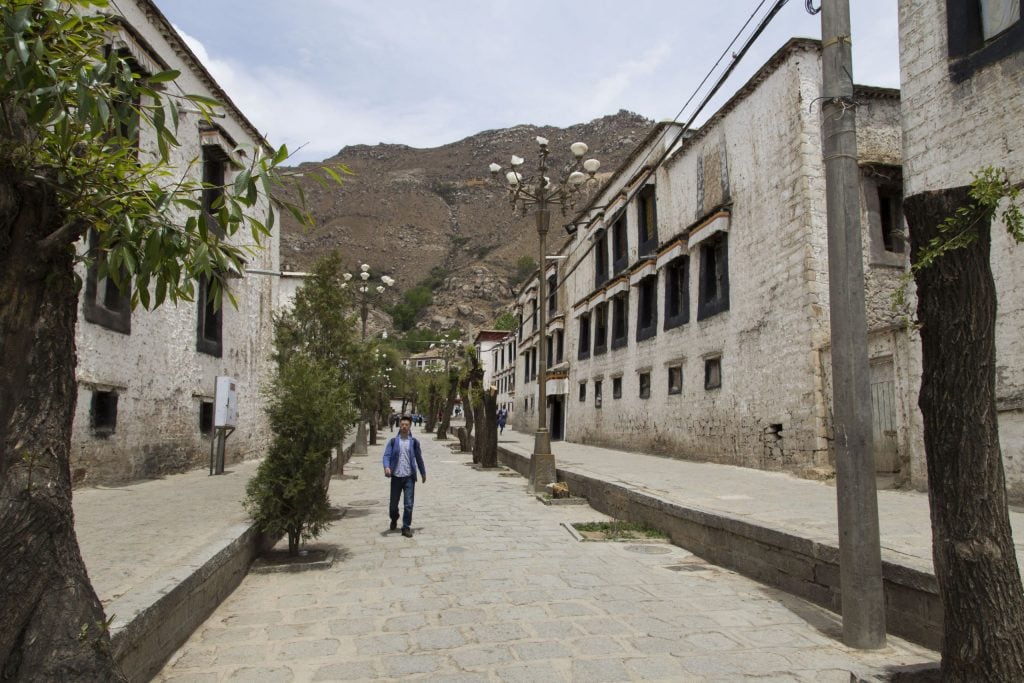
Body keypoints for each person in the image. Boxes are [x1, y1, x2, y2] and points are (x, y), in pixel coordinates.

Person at [382, 414, 426, 537]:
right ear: (399, 426)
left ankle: (406, 527)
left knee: (408, 504)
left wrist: (423, 473)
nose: (404, 427)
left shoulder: (414, 442)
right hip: (396, 477)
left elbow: (419, 459)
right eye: (402, 425)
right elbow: (386, 456)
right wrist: (386, 467)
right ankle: (394, 518)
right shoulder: (393, 442)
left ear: (410, 426)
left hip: (409, 477)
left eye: (407, 425)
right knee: (393, 505)